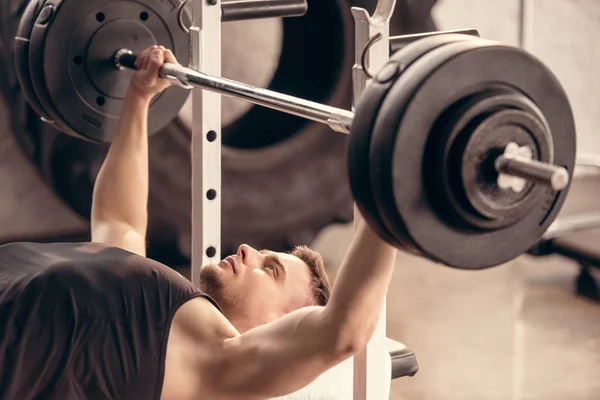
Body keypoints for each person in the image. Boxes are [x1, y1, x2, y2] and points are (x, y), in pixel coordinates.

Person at [0, 46, 398, 400]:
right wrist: (139, 99)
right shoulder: (153, 296)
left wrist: (389, 184)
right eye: (264, 254)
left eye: (269, 269)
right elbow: (118, 220)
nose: (247, 251)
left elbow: (342, 334)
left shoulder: (219, 368)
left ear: (284, 325)